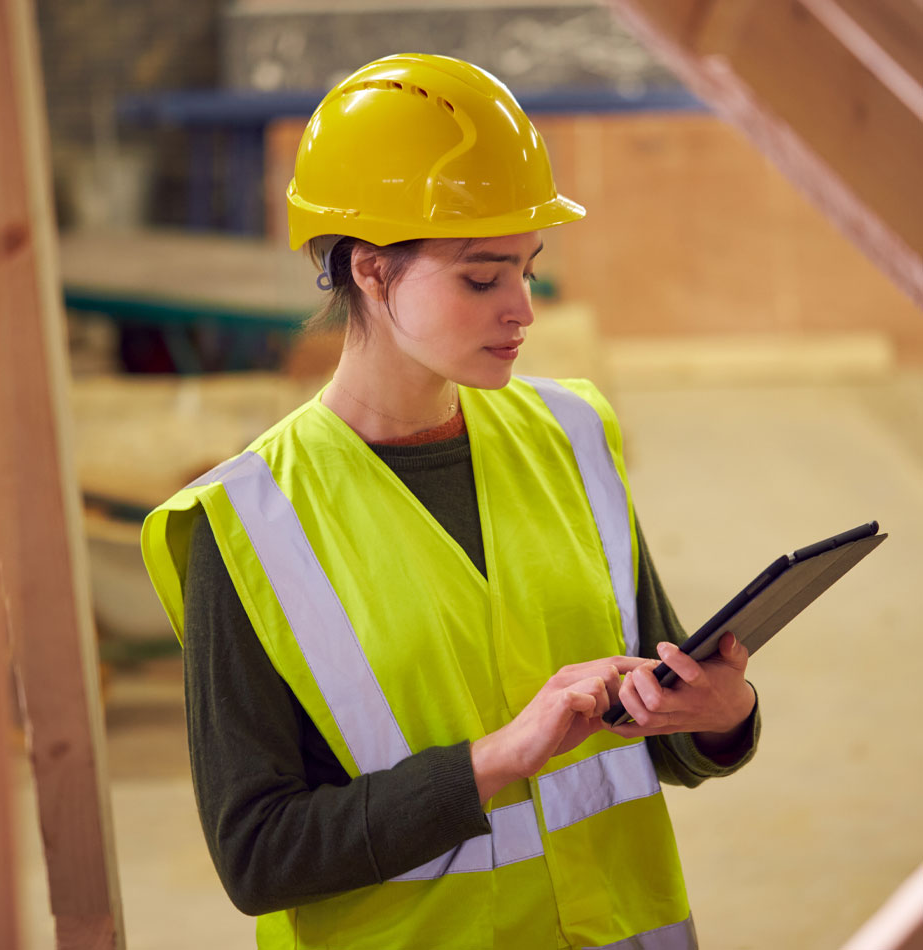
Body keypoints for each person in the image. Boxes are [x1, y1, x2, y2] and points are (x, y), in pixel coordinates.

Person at [141, 53, 760, 950]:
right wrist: (499, 759)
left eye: (526, 268)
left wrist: (721, 716)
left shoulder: (570, 434)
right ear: (370, 272)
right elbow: (257, 855)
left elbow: (656, 731)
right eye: (482, 277)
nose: (523, 308)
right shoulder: (248, 526)